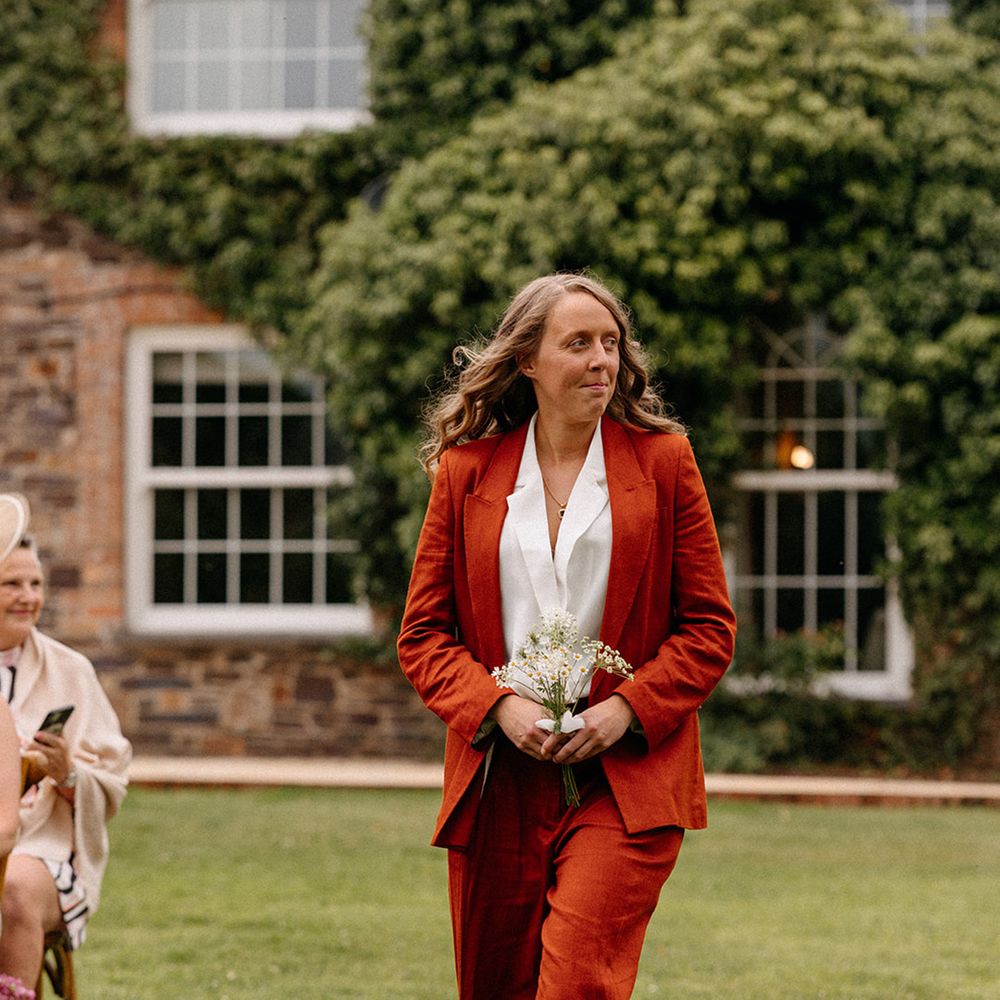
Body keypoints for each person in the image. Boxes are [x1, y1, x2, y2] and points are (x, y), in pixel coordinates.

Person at [397, 273, 737, 1000]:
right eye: (578, 343)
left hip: (628, 779)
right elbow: (423, 635)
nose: (601, 361)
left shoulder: (666, 463)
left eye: (611, 343)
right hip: (500, 778)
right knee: (498, 985)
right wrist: (496, 707)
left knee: (578, 979)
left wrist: (627, 710)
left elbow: (709, 629)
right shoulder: (465, 474)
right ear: (527, 360)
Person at [0, 495, 131, 1000]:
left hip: (41, 848)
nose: (28, 597)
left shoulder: (71, 670)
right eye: (12, 583)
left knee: (13, 887)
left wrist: (67, 773)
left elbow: (114, 777)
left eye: (35, 584)